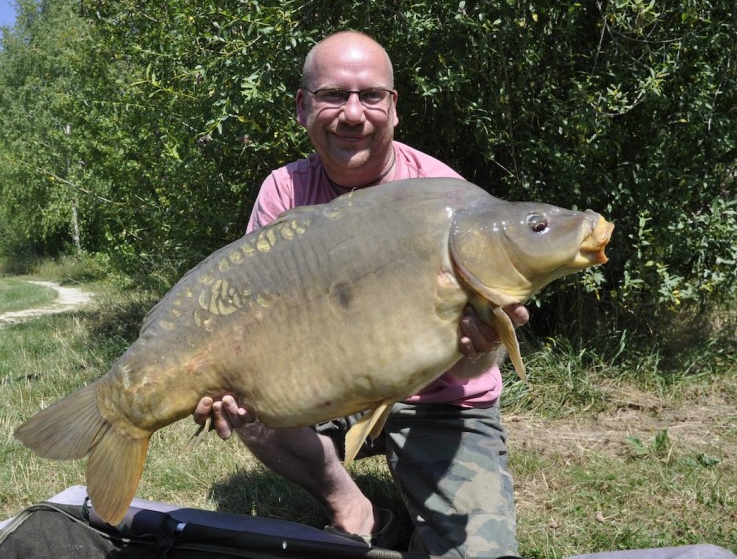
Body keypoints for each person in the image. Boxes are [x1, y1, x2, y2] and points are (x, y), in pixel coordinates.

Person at [193, 30, 529, 558]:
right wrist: (229, 375)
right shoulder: (284, 191)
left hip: (438, 400)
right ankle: (356, 508)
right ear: (303, 107)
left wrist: (481, 342)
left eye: (371, 95)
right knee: (248, 401)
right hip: (332, 384)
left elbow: (474, 372)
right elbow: (254, 318)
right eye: (333, 95)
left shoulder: (449, 201)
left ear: (394, 108)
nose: (354, 114)